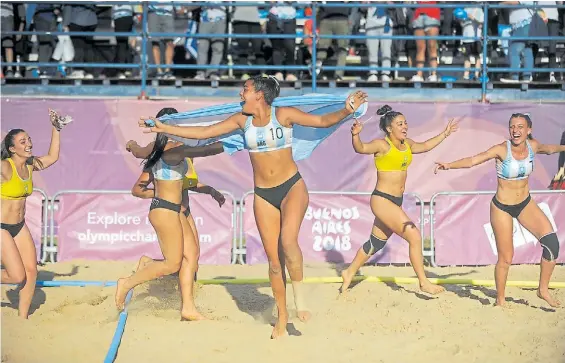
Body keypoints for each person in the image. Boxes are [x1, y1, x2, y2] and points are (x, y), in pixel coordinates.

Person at [138, 76, 368, 339]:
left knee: (288, 241)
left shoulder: (284, 114)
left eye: (245, 89)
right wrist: (164, 128)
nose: (240, 93)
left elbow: (322, 121)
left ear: (259, 94)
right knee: (273, 263)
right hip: (263, 194)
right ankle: (282, 318)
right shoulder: (241, 121)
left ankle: (300, 299)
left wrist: (346, 110)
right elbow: (202, 133)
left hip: (292, 187)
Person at [434, 113, 564, 307]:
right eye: (512, 126)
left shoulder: (533, 146)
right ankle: (500, 300)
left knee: (552, 244)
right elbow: (472, 160)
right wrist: (449, 165)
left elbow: (549, 149)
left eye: (520, 127)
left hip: (525, 204)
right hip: (502, 207)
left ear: (529, 130)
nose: (515, 130)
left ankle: (542, 289)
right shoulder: (502, 149)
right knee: (506, 258)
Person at [114, 108, 224, 320]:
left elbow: (138, 150)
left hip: (175, 210)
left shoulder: (156, 148)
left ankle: (188, 308)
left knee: (191, 257)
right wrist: (235, 140)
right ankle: (126, 283)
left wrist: (130, 145)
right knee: (172, 263)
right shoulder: (173, 150)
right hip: (164, 209)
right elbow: (204, 150)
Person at [340, 105, 458, 295]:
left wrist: (445, 134)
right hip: (381, 200)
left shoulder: (407, 144)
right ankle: (423, 282)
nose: (405, 126)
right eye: (400, 124)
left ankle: (349, 272)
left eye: (405, 123)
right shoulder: (382, 145)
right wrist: (355, 135)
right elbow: (361, 148)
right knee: (414, 236)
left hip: (395, 200)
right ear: (389, 128)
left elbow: (426, 145)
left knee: (376, 242)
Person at [1, 109, 71, 318]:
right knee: (16, 276)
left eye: (29, 140)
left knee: (31, 271)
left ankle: (23, 317)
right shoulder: (5, 167)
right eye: (22, 142)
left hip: (18, 225)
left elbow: (52, 157)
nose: (28, 144)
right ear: (12, 148)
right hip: (2, 227)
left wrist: (56, 129)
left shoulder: (30, 165)